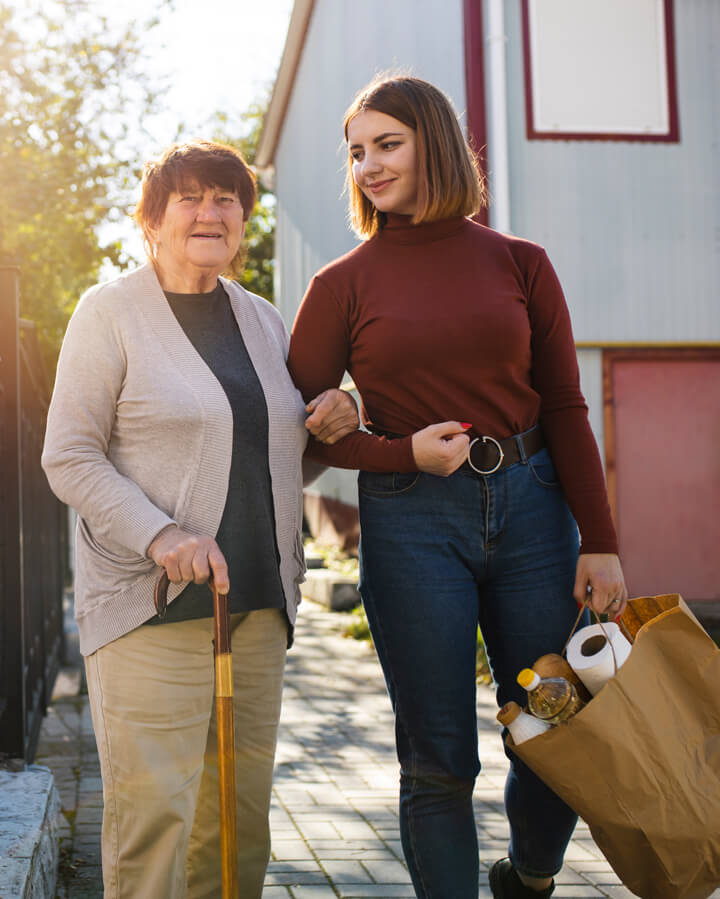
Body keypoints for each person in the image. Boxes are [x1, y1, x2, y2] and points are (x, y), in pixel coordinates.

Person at [286, 75, 627, 899]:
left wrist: (604, 540)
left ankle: (531, 876)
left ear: (433, 142)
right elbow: (295, 436)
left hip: (537, 518)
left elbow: (567, 405)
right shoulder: (341, 284)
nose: (367, 165)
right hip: (412, 530)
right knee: (437, 756)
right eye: (357, 152)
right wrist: (394, 448)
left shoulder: (522, 263)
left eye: (387, 144)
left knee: (555, 728)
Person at [41, 139, 358, 899]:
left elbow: (277, 454)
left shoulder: (262, 321)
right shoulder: (108, 312)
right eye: (190, 197)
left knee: (239, 827)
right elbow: (69, 455)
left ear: (244, 219)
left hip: (255, 610)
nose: (211, 212)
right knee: (157, 826)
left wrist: (345, 412)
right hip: (152, 610)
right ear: (152, 219)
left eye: (227, 199)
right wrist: (162, 533)